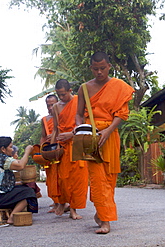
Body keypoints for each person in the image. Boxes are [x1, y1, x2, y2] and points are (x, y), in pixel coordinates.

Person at [75, 52, 134, 234]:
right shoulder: (84, 88)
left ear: (109, 66)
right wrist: (81, 130)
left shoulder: (119, 86)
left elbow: (122, 113)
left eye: (102, 68)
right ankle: (105, 221)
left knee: (109, 178)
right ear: (91, 68)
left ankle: (101, 213)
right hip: (91, 137)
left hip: (110, 134)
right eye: (95, 69)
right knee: (98, 180)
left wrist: (108, 131)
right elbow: (78, 114)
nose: (99, 72)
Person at [52, 79, 88, 219]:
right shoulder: (56, 107)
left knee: (78, 179)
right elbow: (55, 129)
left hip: (77, 144)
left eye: (63, 94)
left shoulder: (79, 101)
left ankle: (74, 209)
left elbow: (84, 123)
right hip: (63, 147)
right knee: (64, 179)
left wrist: (71, 134)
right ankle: (63, 202)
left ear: (69, 91)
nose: (61, 98)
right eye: (59, 95)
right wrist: (54, 146)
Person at [0, 136, 37, 226]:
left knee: (23, 188)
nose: (12, 150)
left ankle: (15, 214)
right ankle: (12, 218)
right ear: (3, 149)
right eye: (10, 147)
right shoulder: (2, 158)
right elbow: (20, 166)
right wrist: (27, 152)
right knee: (29, 191)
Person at [40, 94, 60, 213]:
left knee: (61, 177)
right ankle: (56, 201)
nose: (50, 107)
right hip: (49, 150)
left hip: (60, 149)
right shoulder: (45, 120)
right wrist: (41, 151)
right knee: (51, 177)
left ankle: (64, 202)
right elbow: (43, 136)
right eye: (48, 105)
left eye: (53, 105)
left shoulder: (63, 116)